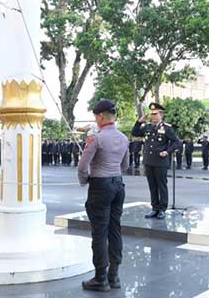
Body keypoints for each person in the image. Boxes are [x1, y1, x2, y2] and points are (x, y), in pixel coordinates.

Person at [77, 99, 129, 292]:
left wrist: (86, 180)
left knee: (99, 232)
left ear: (100, 116)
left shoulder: (96, 138)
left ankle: (100, 278)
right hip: (118, 185)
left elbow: (83, 166)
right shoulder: (124, 138)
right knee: (115, 229)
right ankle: (113, 276)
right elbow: (125, 166)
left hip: (101, 186)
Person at [131, 102, 181, 219]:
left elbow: (176, 142)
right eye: (151, 114)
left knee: (161, 185)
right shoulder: (147, 127)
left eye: (155, 114)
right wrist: (139, 122)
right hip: (149, 161)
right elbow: (135, 133)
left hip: (161, 161)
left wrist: (167, 151)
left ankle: (162, 209)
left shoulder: (167, 128)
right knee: (152, 186)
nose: (152, 116)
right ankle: (154, 208)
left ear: (161, 115)